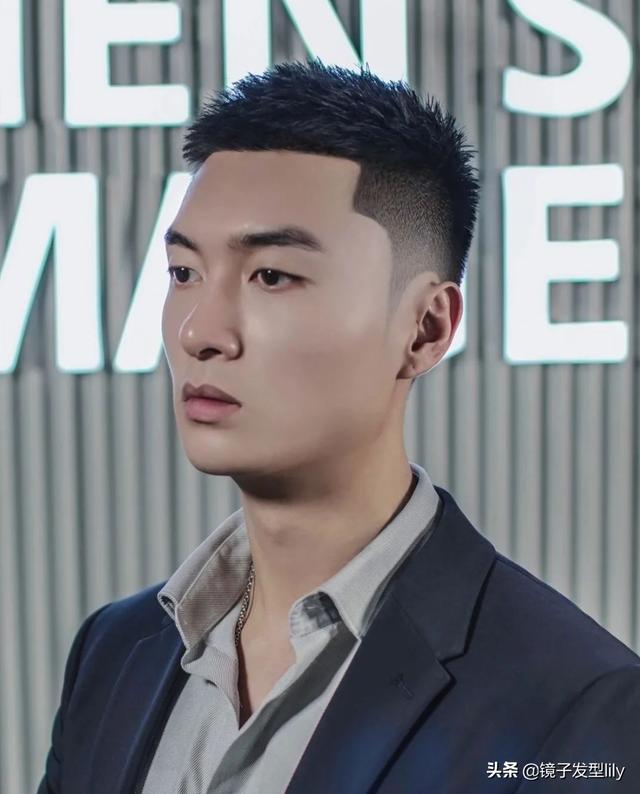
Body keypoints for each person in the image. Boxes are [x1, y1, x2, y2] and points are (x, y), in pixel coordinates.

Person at [39, 59, 640, 794]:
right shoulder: (112, 654)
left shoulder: (575, 704)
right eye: (183, 272)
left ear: (425, 327)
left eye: (271, 276)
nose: (199, 331)